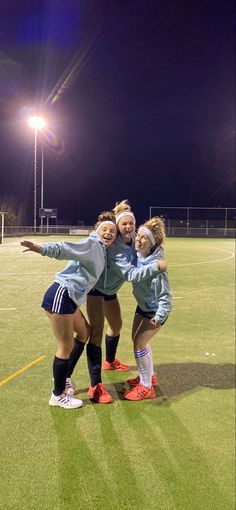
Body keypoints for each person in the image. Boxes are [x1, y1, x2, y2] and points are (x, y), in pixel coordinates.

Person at [20, 212, 117, 409]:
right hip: (61, 294)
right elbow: (66, 248)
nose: (108, 233)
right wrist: (42, 248)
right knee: (65, 346)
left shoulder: (101, 250)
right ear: (96, 231)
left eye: (112, 231)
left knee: (84, 333)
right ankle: (57, 395)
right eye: (104, 229)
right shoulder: (93, 244)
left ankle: (65, 379)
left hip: (70, 299)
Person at [86, 200, 167, 376]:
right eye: (124, 224)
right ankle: (95, 380)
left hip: (111, 290)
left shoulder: (134, 239)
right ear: (118, 226)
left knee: (116, 325)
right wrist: (156, 266)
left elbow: (150, 244)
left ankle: (110, 362)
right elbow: (130, 275)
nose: (129, 227)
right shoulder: (115, 248)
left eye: (131, 223)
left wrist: (158, 252)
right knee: (96, 332)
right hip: (97, 290)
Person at [124, 216, 172, 401]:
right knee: (135, 340)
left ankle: (146, 387)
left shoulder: (157, 267)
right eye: (139, 236)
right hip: (142, 306)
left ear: (150, 243)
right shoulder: (139, 255)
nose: (138, 239)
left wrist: (159, 316)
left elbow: (166, 298)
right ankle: (149, 376)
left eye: (144, 238)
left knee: (139, 344)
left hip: (155, 310)